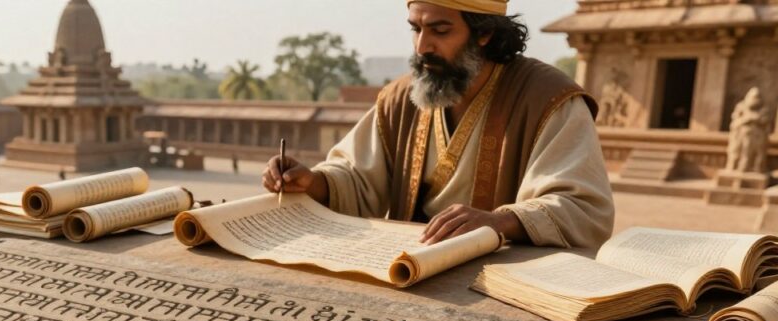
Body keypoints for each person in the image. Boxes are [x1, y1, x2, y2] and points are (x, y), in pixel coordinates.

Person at [262, 0, 614, 249]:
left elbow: (585, 210)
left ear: (485, 33)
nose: (422, 47)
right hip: (408, 265)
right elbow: (356, 179)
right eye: (415, 29)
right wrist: (313, 181)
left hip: (502, 277)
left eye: (440, 30)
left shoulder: (547, 98)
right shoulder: (401, 98)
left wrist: (501, 222)